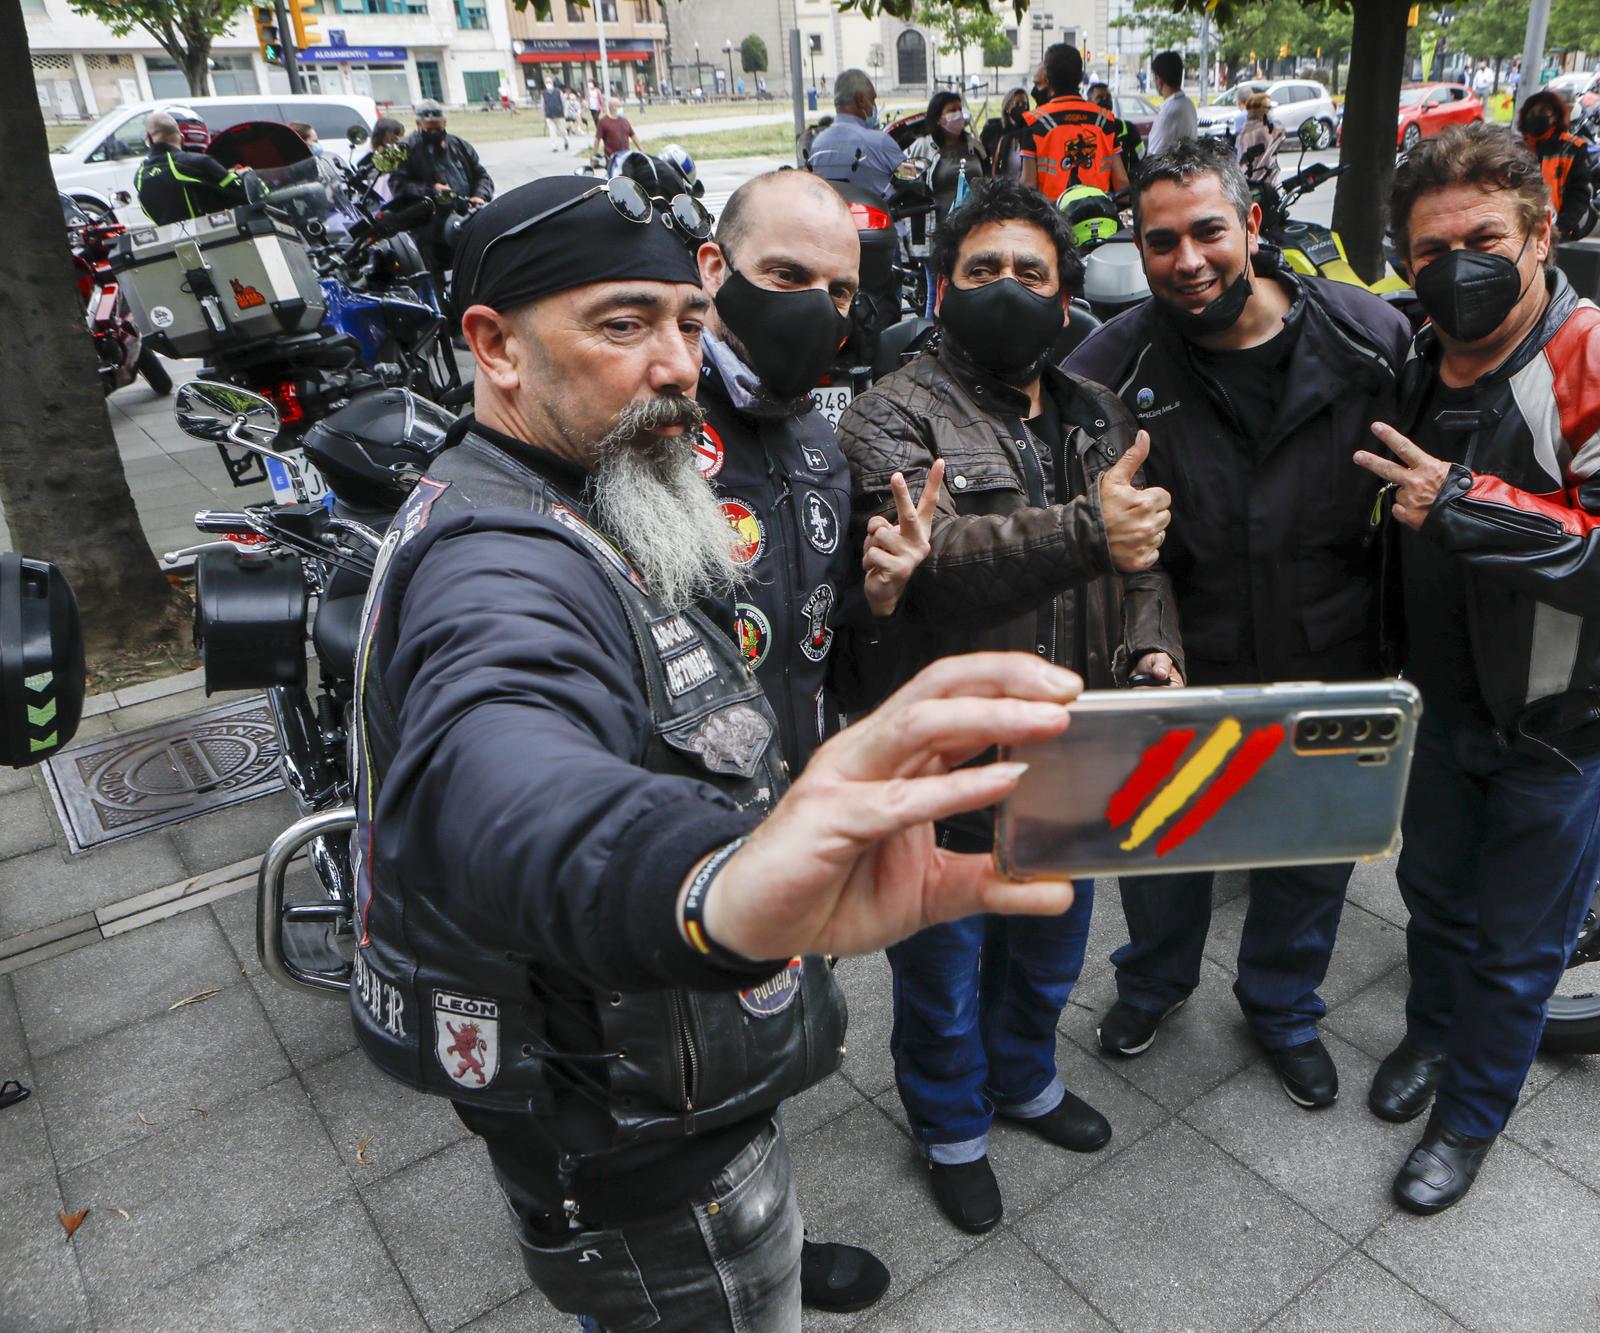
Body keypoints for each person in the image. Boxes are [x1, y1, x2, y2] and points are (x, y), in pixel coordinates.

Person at [351, 172, 1086, 1330]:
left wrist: (881, 604)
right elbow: (501, 759)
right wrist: (711, 888)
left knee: (749, 1212)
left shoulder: (598, 481)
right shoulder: (495, 552)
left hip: (689, 1028)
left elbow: (780, 644)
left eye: (683, 326)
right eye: (621, 326)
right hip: (622, 1079)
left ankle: (776, 1243)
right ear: (493, 346)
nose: (677, 366)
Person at [1358, 123, 1600, 1214]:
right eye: (1427, 249)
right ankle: (1425, 1036)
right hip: (1438, 705)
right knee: (1430, 896)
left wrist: (1467, 506)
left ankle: (1467, 1119)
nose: (1454, 266)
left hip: (1561, 723)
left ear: (1541, 233)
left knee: (1517, 945)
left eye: (1482, 238)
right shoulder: (1413, 355)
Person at [836, 178, 1183, 1235]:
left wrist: (1155, 648)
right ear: (944, 286)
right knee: (939, 977)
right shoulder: (888, 412)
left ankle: (1023, 1082)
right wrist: (1090, 530)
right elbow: (933, 567)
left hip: (1065, 759)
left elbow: (1139, 561)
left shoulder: (1093, 412)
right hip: (944, 768)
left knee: (1049, 953)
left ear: (1065, 298)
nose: (1006, 288)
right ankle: (949, 1126)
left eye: (1030, 271)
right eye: (982, 268)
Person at [1063, 138, 1410, 1111]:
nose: (1187, 259)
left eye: (1207, 230)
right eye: (1159, 239)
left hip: (1332, 651)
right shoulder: (1105, 367)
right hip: (1184, 651)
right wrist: (1144, 641)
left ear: (1251, 225)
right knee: (1164, 843)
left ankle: (1282, 1007)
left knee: (1309, 847)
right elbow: (1111, 539)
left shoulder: (1366, 338)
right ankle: (1154, 984)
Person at [690, 168, 893, 1316]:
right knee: (683, 1067)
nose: (815, 308)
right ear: (713, 272)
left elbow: (818, 634)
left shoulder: (817, 444)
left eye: (837, 289)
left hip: (788, 817)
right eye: (785, 277)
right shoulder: (646, 434)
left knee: (768, 1051)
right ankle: (711, 1259)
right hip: (671, 851)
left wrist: (888, 588)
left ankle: (760, 1231)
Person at [392, 100, 494, 275]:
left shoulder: (459, 145)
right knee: (435, 279)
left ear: (444, 123)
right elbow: (399, 186)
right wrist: (432, 190)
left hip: (464, 222)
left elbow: (482, 176)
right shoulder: (405, 149)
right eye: (428, 128)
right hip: (428, 230)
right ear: (418, 124)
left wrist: (479, 196)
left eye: (437, 128)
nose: (433, 132)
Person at [1020, 42, 1128, 203]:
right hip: (1100, 220)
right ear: (1080, 76)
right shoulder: (1105, 121)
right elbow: (1122, 183)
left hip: (1054, 222)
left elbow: (1028, 185)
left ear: (1047, 78)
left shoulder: (1035, 122)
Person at [134, 108, 248, 225]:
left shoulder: (140, 175)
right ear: (182, 138)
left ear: (149, 140)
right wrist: (240, 175)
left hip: (171, 240)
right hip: (215, 237)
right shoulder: (199, 163)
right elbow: (243, 194)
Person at [809, 69, 903, 199]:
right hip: (878, 216)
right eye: (873, 100)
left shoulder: (818, 144)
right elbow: (911, 178)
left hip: (835, 216)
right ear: (860, 100)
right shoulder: (879, 142)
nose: (874, 106)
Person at [1515, 89, 1591, 240]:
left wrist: (1560, 228)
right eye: (1532, 112)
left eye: (1543, 111)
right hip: (1520, 230)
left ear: (1555, 116)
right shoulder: (1517, 148)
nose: (1537, 116)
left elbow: (1579, 195)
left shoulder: (1573, 148)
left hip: (1557, 231)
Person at [907, 89, 986, 215]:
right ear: (938, 118)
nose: (958, 114)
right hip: (941, 225)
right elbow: (903, 179)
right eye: (952, 111)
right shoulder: (924, 147)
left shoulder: (973, 146)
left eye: (960, 109)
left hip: (976, 222)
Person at [1149, 51, 1197, 157]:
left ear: (1159, 80)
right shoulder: (1188, 104)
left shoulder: (1169, 113)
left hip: (1170, 172)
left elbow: (1153, 157)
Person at [1090, 81, 1144, 174]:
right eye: (1100, 97)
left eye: (1108, 97)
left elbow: (1141, 157)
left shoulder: (1128, 129)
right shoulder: (1085, 131)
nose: (1105, 100)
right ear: (1089, 102)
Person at [983, 88, 1035, 178]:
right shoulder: (994, 129)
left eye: (1024, 104)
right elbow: (983, 157)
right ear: (1007, 107)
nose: (1021, 107)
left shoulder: (1031, 132)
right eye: (1017, 104)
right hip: (1000, 184)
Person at [1235, 90, 1282, 186]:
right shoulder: (1267, 129)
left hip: (1253, 179)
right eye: (1268, 107)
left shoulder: (1247, 129)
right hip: (1264, 179)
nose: (1270, 110)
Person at [595, 94, 640, 167]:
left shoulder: (624, 121)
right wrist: (595, 156)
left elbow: (633, 136)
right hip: (612, 159)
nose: (621, 108)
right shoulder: (603, 122)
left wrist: (642, 151)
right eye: (619, 106)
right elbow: (597, 140)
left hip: (626, 158)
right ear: (613, 107)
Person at [542, 81, 569, 151]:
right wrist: (544, 115)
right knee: (552, 132)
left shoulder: (558, 92)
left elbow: (564, 103)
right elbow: (543, 105)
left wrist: (565, 113)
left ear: (552, 84)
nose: (548, 84)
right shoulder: (544, 93)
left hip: (559, 115)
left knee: (563, 131)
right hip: (549, 116)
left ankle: (566, 141)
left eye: (549, 82)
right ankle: (554, 146)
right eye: (547, 83)